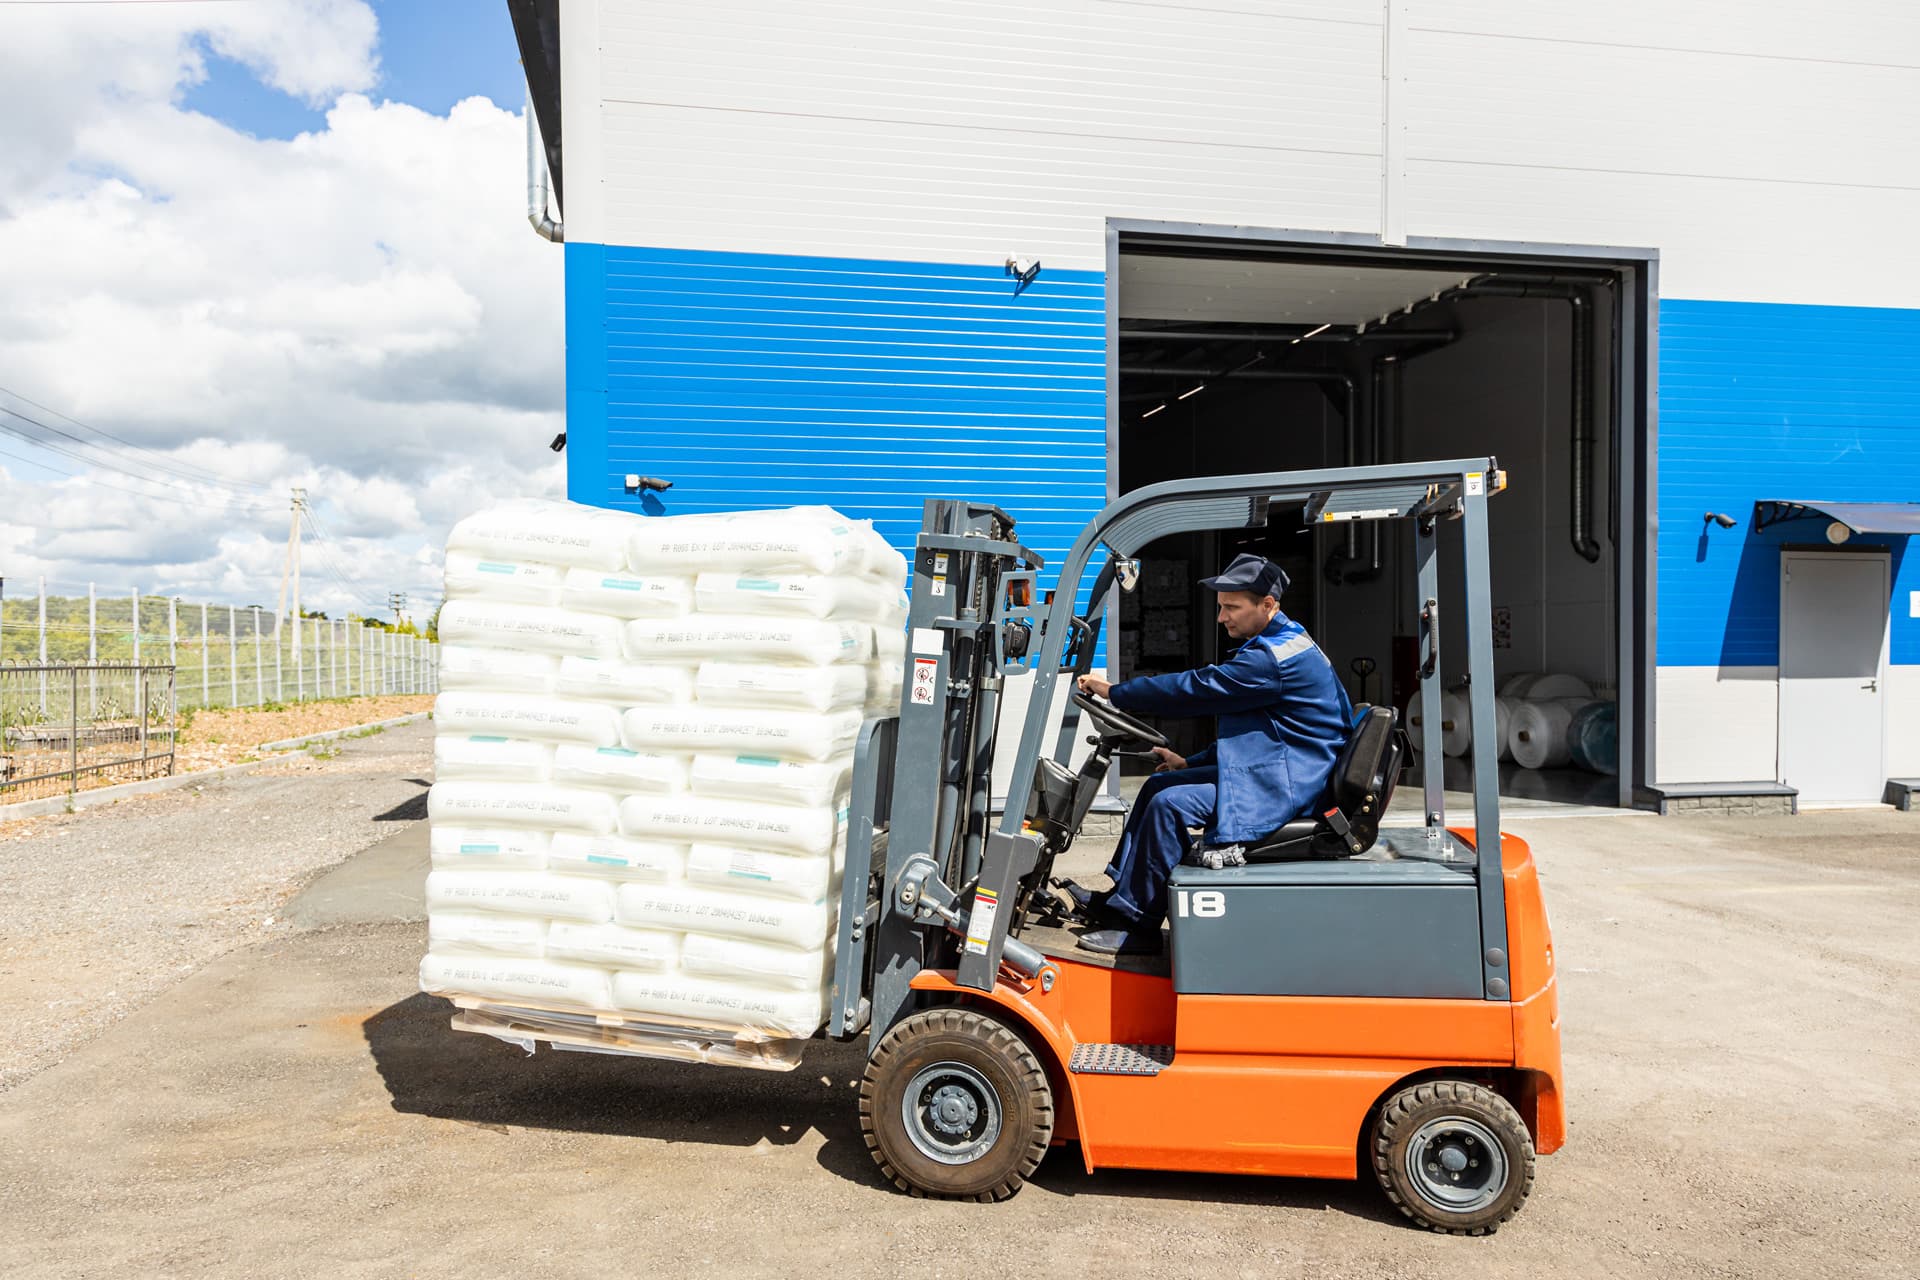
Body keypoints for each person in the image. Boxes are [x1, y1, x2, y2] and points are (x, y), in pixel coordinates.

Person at [1070, 553, 1353, 955]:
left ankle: (1139, 927)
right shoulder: (1283, 641)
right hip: (1283, 766)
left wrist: (1115, 692)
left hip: (1289, 784)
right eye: (1222, 607)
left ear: (1267, 605)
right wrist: (1191, 762)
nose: (1222, 617)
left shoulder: (1272, 660)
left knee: (1171, 805)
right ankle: (1121, 898)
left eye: (1232, 607)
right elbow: (1261, 736)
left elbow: (1198, 688)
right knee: (1159, 784)